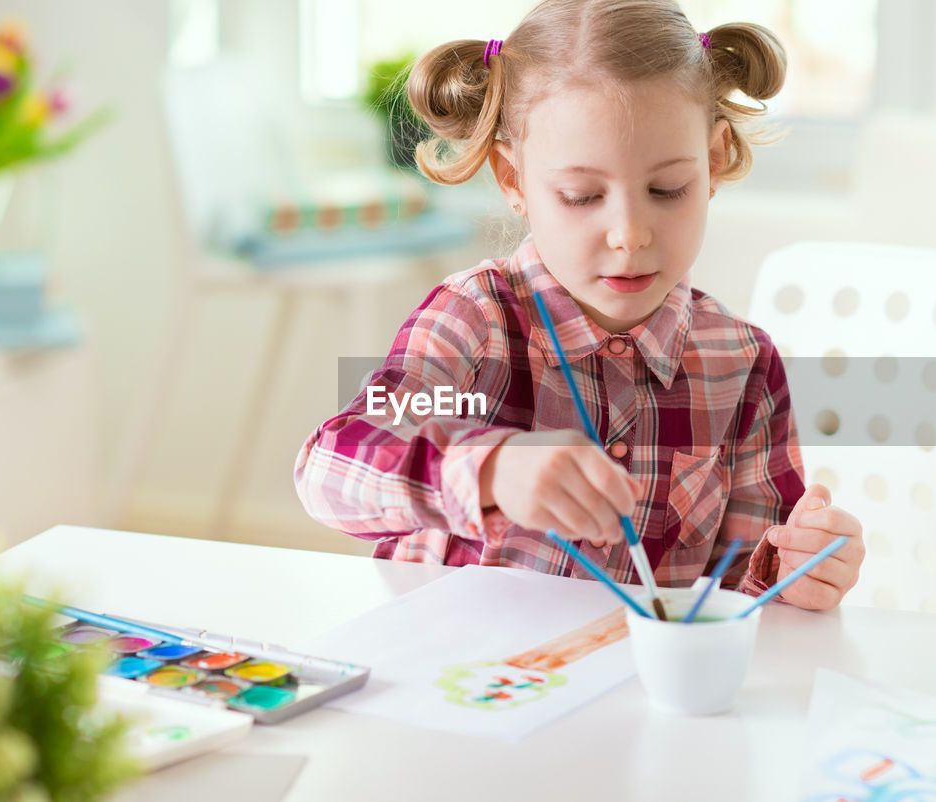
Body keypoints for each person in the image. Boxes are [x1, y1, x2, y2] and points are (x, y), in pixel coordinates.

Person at [296, 0, 864, 610]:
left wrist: (794, 573)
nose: (630, 233)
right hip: (454, 687)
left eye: (667, 189)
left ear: (715, 158)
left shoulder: (743, 363)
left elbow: (743, 591)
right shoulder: (473, 323)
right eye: (581, 195)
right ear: (513, 180)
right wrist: (491, 470)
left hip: (631, 698)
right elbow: (330, 467)